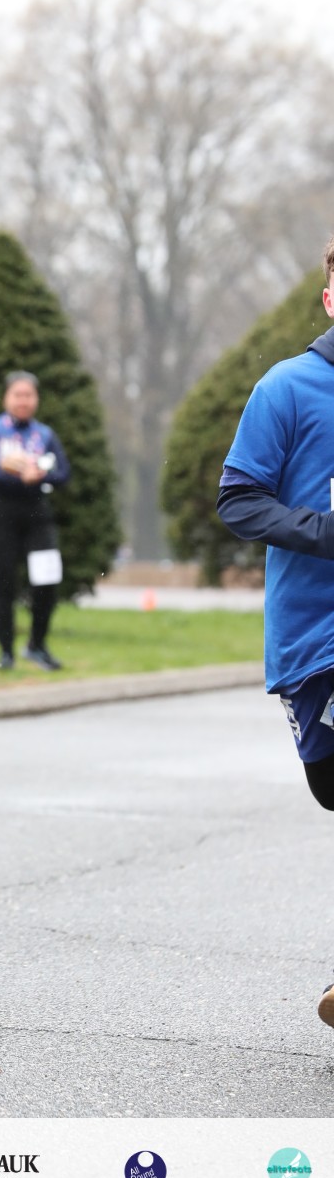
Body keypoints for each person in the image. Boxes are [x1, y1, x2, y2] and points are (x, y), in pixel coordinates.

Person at [218, 234, 334, 1029]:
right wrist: (325, 531)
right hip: (317, 638)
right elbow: (239, 499)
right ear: (329, 298)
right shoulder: (287, 388)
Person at [0, 371, 71, 671]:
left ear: (37, 399)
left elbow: (63, 473)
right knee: (3, 582)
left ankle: (37, 646)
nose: (23, 401)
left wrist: (41, 475)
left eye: (29, 395)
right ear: (6, 397)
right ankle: (6, 653)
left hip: (36, 511)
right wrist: (15, 475)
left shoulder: (44, 434)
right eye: (18, 395)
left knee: (47, 579)